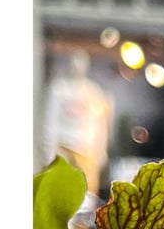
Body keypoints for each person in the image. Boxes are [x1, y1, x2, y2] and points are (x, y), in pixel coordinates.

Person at [42, 49, 113, 195]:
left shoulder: (93, 91)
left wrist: (101, 150)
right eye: (75, 63)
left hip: (86, 149)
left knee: (86, 195)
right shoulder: (59, 89)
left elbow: (100, 125)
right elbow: (50, 120)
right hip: (62, 147)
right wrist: (48, 150)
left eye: (82, 64)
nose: (78, 67)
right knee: (58, 192)